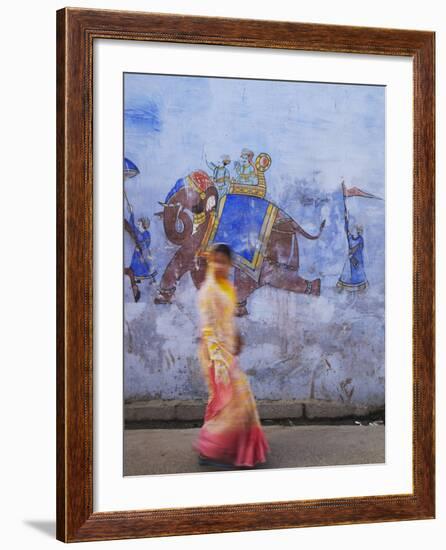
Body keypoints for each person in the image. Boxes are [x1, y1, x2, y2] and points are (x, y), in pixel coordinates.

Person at [194, 243, 269, 468]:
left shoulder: (227, 286)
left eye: (222, 261)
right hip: (214, 353)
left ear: (229, 264)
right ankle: (210, 448)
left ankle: (223, 447)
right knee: (231, 399)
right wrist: (218, 361)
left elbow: (227, 319)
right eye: (214, 260)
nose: (217, 265)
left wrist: (236, 336)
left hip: (226, 351)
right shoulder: (208, 290)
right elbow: (208, 328)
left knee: (230, 400)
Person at [124, 206, 157, 302]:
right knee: (135, 265)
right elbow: (131, 225)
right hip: (137, 253)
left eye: (140, 223)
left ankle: (149, 280)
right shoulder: (137, 231)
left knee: (144, 265)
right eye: (138, 222)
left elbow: (147, 243)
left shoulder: (146, 234)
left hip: (143, 253)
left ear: (144, 225)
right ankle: (137, 278)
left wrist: (142, 247)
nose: (138, 224)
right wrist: (132, 213)